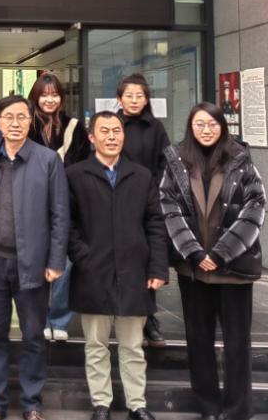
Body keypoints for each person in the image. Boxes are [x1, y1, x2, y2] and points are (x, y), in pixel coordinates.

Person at [159, 103, 265, 420]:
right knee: (198, 340)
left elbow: (255, 207)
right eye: (200, 124)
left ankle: (237, 410)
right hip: (194, 270)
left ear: (222, 126)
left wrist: (220, 254)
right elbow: (168, 207)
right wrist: (193, 252)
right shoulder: (177, 160)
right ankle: (207, 406)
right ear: (190, 127)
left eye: (213, 124)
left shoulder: (241, 159)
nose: (206, 130)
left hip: (233, 269)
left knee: (237, 343)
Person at [67, 110, 168, 420]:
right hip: (92, 272)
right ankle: (101, 403)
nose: (111, 137)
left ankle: (137, 404)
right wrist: (84, 257)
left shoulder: (141, 175)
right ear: (91, 137)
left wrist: (157, 268)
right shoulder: (76, 175)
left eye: (117, 131)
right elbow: (68, 225)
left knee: (133, 345)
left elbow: (155, 224)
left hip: (134, 272)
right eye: (104, 131)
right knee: (96, 344)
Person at [0, 96, 67, 420]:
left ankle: (32, 403)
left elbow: (60, 214)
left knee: (33, 335)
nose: (15, 123)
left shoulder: (48, 160)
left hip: (34, 264)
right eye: (9, 117)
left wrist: (56, 261)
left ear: (30, 121)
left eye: (22, 117)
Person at [27, 73, 90, 342]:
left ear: (61, 98)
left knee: (64, 264)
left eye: (54, 95)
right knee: (36, 263)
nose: (49, 100)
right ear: (35, 98)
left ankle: (60, 319)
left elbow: (83, 165)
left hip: (67, 204)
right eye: (44, 95)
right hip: (34, 205)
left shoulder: (74, 127)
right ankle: (41, 318)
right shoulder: (28, 126)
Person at [115, 73, 171, 347]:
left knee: (145, 259)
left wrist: (153, 189)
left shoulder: (156, 128)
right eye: (129, 95)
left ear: (147, 99)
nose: (134, 100)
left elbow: (165, 163)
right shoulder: (113, 124)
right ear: (120, 99)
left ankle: (149, 319)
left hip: (147, 199)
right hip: (116, 198)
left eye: (140, 96)